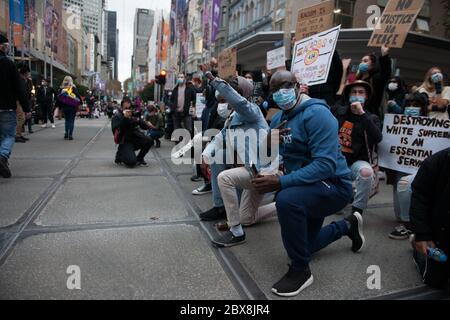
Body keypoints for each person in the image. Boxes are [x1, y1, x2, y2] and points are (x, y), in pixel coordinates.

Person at [253, 70, 365, 297]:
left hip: (333, 185)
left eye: (284, 86)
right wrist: (269, 139)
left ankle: (301, 271)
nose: (279, 93)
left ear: (297, 86)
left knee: (286, 200)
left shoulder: (317, 114)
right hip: (307, 187)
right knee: (304, 246)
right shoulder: (278, 118)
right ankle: (347, 226)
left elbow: (325, 166)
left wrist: (281, 182)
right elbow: (264, 157)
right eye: (273, 90)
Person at [199, 73, 270, 226]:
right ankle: (221, 207)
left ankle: (234, 226)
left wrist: (217, 82)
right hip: (248, 166)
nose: (223, 104)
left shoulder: (251, 110)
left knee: (225, 178)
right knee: (218, 155)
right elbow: (220, 137)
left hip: (261, 170)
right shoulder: (233, 118)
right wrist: (205, 155)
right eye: (221, 100)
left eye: (225, 99)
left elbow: (240, 103)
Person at [332, 81, 383, 216]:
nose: (357, 95)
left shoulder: (372, 117)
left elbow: (378, 138)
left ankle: (357, 211)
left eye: (361, 92)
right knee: (335, 203)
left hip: (356, 162)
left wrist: (362, 114)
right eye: (353, 92)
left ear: (366, 97)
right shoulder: (338, 112)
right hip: (336, 160)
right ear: (348, 96)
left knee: (366, 173)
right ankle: (340, 198)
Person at [386, 92, 430, 240]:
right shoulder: (396, 124)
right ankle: (404, 220)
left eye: (416, 106)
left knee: (409, 187)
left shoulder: (433, 127)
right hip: (399, 168)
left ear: (423, 108)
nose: (412, 108)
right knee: (399, 212)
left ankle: (409, 225)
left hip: (422, 170)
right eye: (409, 105)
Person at [410, 148, 450, 289]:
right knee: (434, 280)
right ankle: (418, 247)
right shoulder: (437, 162)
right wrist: (422, 234)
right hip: (441, 234)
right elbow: (420, 196)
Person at [0, 34, 31, 178]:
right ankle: (2, 156)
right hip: (6, 106)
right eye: (6, 46)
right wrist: (27, 108)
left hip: (7, 105)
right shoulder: (8, 64)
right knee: (8, 135)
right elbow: (19, 88)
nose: (7, 49)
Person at [112, 97, 154, 167]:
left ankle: (140, 159)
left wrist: (140, 120)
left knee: (149, 140)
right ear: (122, 108)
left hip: (135, 139)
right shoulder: (117, 117)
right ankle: (120, 154)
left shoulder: (133, 115)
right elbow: (116, 132)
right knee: (131, 162)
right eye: (125, 108)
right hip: (125, 141)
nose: (128, 110)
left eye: (129, 108)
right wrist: (125, 119)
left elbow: (144, 127)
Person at [355, 45, 392, 117]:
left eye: (365, 61)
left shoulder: (376, 79)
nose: (362, 63)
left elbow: (386, 73)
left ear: (373, 64)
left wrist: (384, 56)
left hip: (369, 115)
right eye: (361, 61)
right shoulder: (357, 80)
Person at [170, 73, 197, 139]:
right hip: (176, 113)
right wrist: (173, 108)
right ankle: (178, 145)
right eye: (179, 77)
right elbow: (171, 100)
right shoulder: (175, 89)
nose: (180, 79)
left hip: (187, 112)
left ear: (185, 79)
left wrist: (193, 107)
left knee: (189, 129)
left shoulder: (189, 89)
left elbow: (194, 98)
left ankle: (188, 144)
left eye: (182, 77)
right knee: (176, 130)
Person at [55, 76, 81, 141]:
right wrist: (80, 103)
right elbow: (78, 97)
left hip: (65, 107)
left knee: (66, 120)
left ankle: (66, 133)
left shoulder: (62, 89)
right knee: (71, 120)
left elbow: (58, 99)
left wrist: (59, 107)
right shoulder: (73, 88)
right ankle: (70, 135)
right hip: (72, 107)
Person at [16, 63, 33, 143]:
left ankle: (19, 134)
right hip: (17, 100)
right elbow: (22, 93)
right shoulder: (19, 79)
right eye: (27, 72)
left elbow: (27, 92)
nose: (28, 74)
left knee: (21, 117)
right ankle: (17, 135)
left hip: (20, 100)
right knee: (21, 117)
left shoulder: (24, 80)